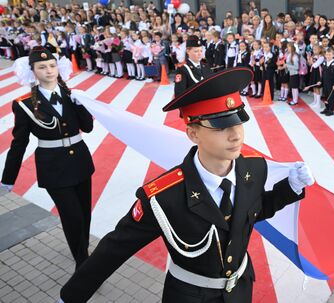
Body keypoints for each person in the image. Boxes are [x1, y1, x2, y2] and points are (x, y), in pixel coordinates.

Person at [59, 67, 314, 303]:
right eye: (220, 125)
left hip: (240, 290)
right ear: (193, 133)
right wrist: (70, 296)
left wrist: (289, 189)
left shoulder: (254, 170)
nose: (236, 134)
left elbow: (255, 211)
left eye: (238, 121)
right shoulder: (163, 197)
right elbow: (114, 249)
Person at [0, 46, 95, 269]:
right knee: (72, 217)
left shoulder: (72, 96)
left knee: (83, 214)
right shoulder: (24, 105)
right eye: (42, 67)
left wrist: (81, 107)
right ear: (32, 71)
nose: (49, 70)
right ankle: (83, 263)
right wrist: (8, 178)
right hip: (53, 168)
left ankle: (82, 247)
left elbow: (88, 128)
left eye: (52, 65)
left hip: (80, 162)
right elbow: (19, 144)